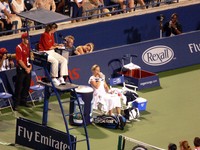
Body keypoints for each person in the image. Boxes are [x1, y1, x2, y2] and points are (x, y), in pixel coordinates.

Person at [14, 33, 32, 110]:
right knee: (19, 86)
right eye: (27, 38)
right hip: (21, 70)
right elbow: (19, 60)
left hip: (28, 69)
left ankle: (23, 101)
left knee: (26, 86)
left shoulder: (28, 47)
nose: (28, 40)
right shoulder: (19, 47)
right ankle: (16, 104)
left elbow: (30, 58)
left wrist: (30, 67)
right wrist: (26, 68)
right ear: (23, 39)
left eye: (28, 38)